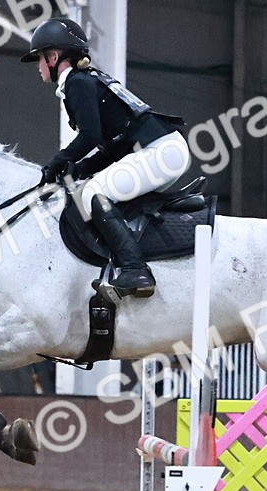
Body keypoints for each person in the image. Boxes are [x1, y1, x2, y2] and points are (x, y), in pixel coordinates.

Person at [22, 17, 190, 298]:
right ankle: (121, 264)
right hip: (161, 149)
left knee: (94, 195)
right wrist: (80, 167)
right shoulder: (84, 80)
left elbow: (89, 136)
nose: (38, 66)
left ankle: (136, 269)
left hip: (159, 151)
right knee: (93, 190)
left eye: (39, 58)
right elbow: (109, 145)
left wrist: (56, 163)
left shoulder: (77, 83)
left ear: (53, 57)